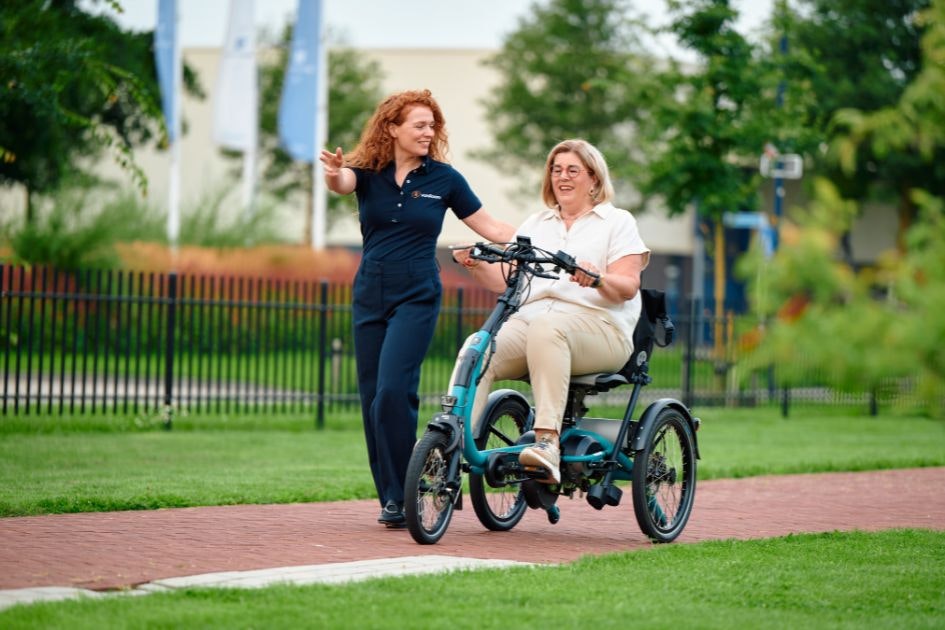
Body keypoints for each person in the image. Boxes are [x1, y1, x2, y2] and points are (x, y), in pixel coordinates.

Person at [319, 89, 515, 528]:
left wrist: (547, 234)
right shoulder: (366, 172)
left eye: (432, 126)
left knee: (393, 390)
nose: (429, 132)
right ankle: (394, 498)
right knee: (372, 399)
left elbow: (490, 226)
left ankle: (415, 477)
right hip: (370, 292)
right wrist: (333, 172)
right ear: (392, 128)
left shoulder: (444, 179)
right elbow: (342, 184)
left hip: (417, 293)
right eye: (419, 125)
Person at [452, 139, 650, 483]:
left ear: (594, 178)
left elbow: (628, 285)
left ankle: (547, 442)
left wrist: (597, 278)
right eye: (556, 170)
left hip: (601, 330)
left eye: (573, 170)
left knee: (547, 327)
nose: (563, 177)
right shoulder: (536, 224)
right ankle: (453, 439)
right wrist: (473, 264)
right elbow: (509, 282)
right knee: (478, 346)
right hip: (535, 325)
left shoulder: (617, 221)